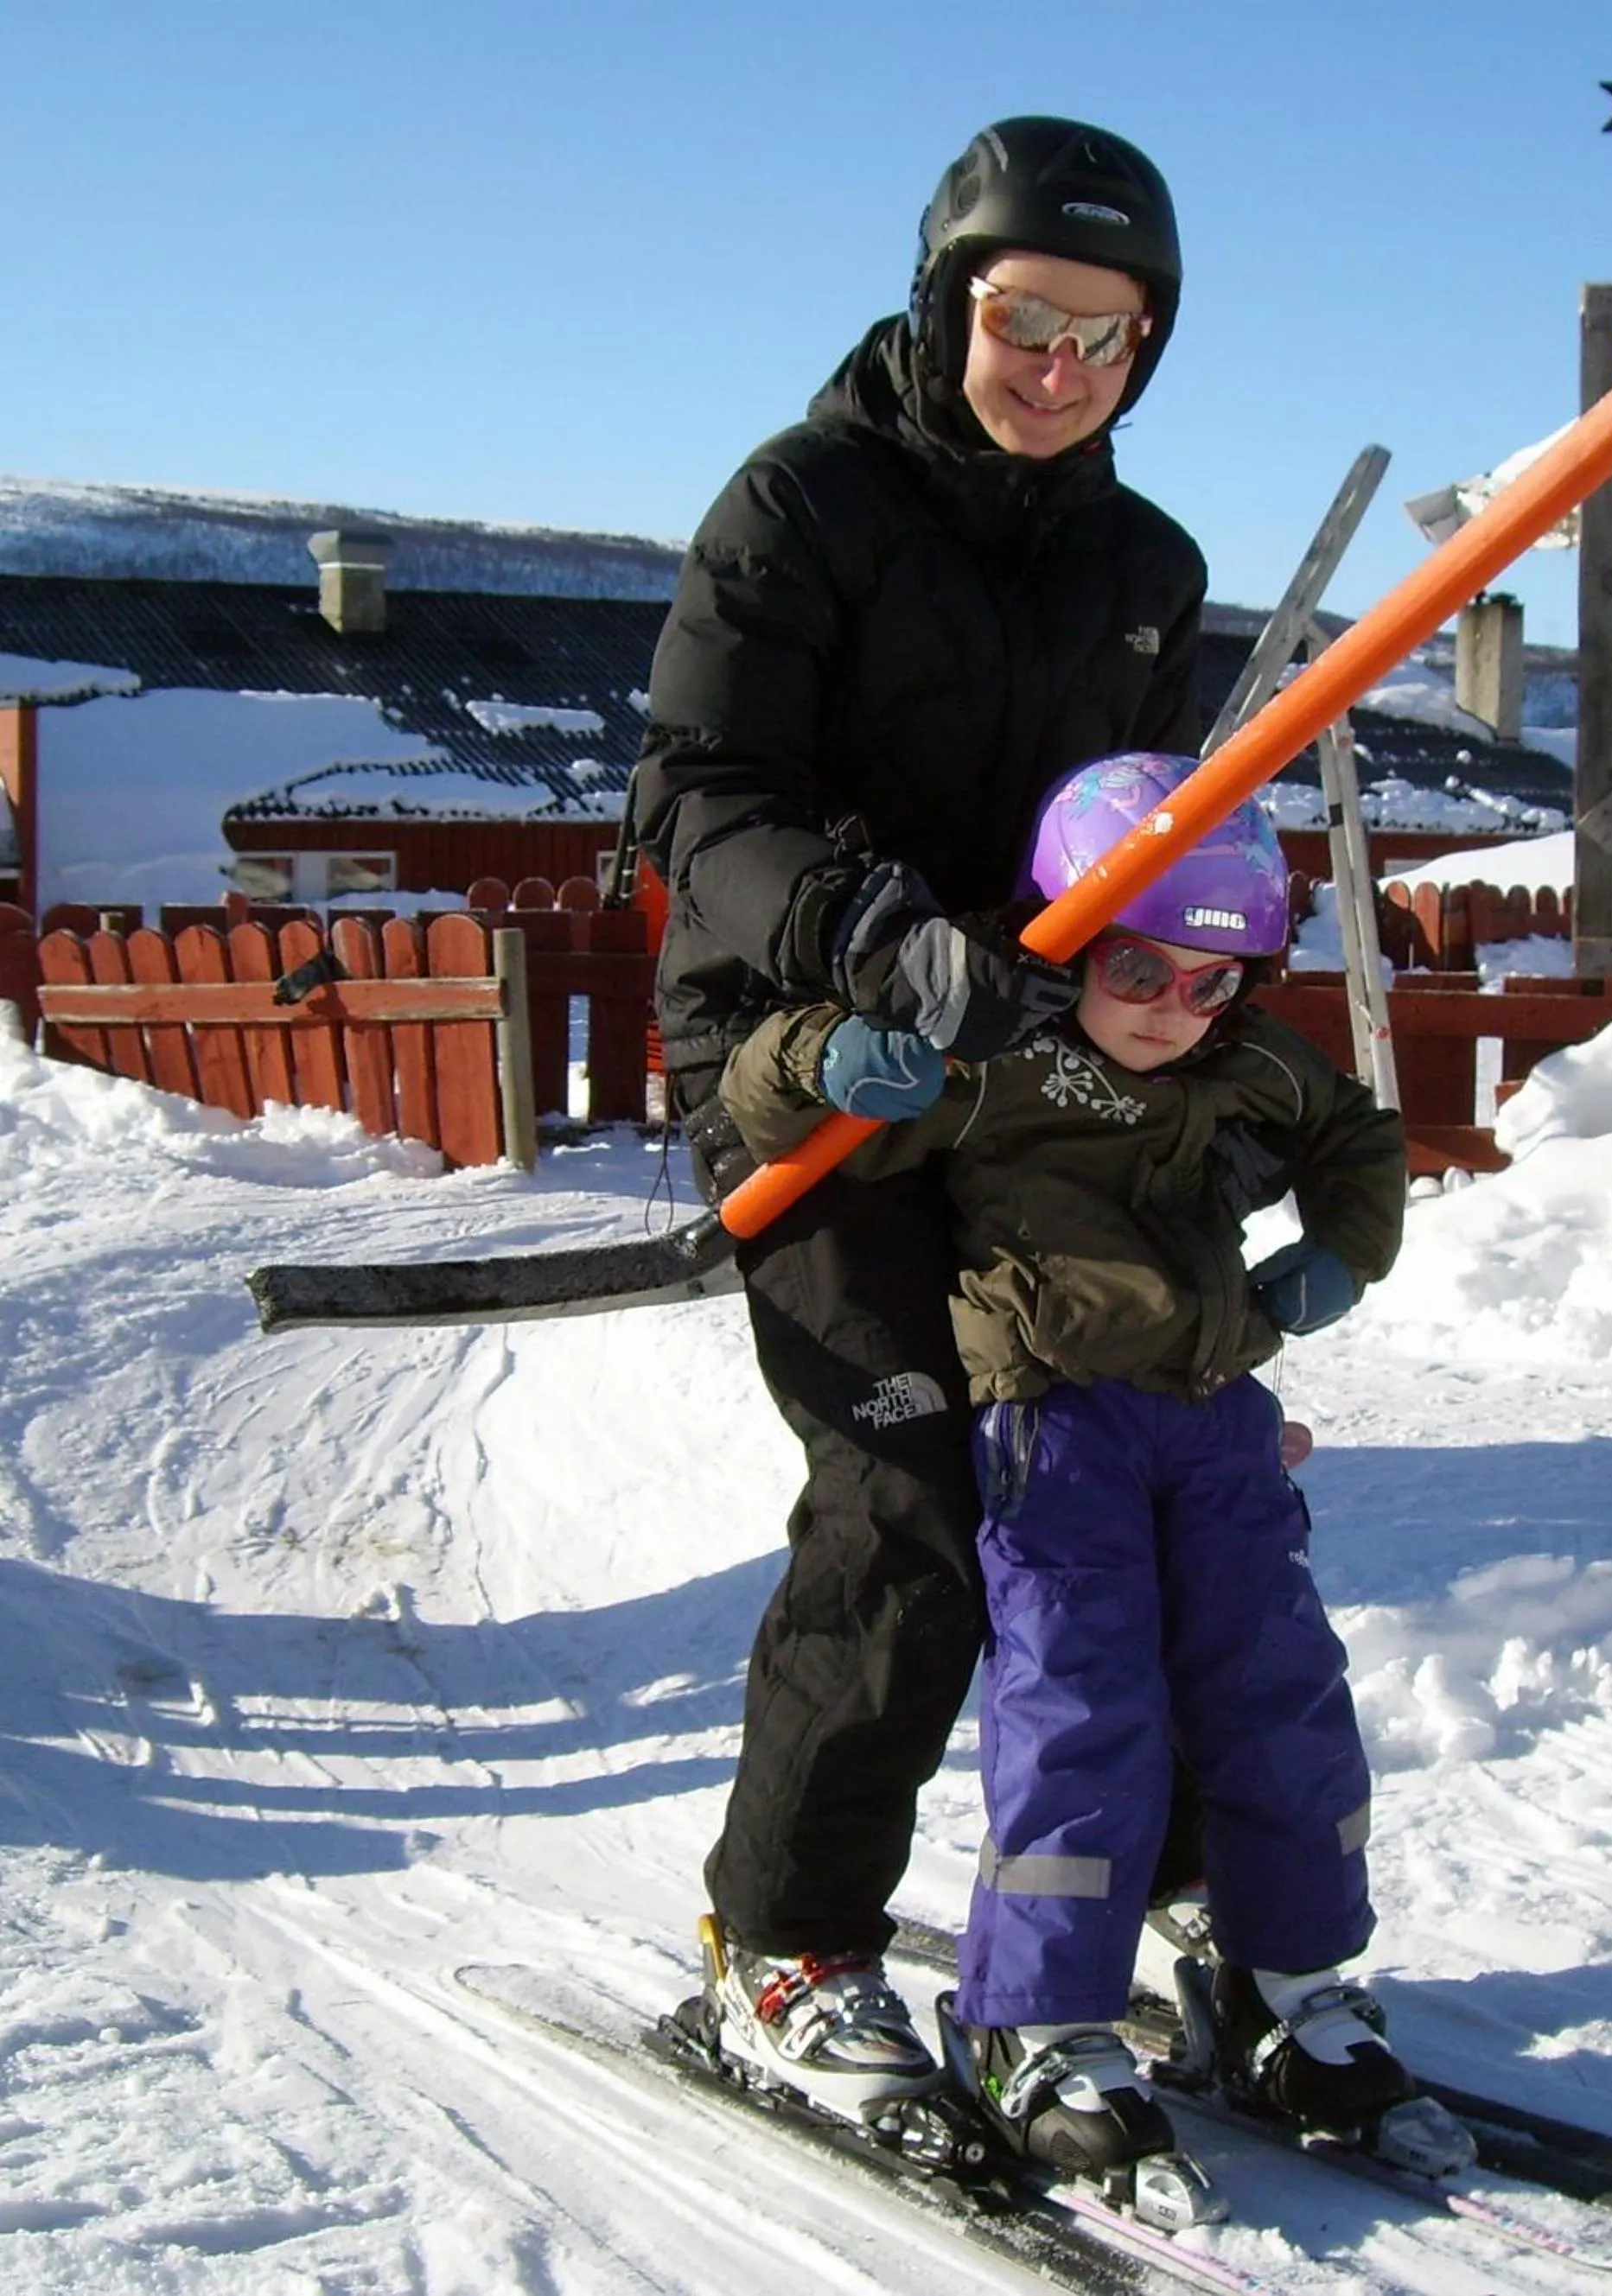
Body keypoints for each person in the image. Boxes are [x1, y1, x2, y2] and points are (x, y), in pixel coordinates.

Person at [625, 118, 1206, 2132]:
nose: (1059, 365)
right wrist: (866, 932)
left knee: (1142, 1470)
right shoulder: (803, 503)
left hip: (1022, 1064)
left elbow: (1132, 830)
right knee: (909, 1499)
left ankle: (1207, 1910)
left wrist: (1161, 966)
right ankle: (783, 1939)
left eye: (1107, 335)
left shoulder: (1148, 567)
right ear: (945, 296)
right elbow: (700, 799)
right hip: (810, 1070)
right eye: (1023, 316)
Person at [721, 754, 1418, 2176]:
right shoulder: (997, 1065)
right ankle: (1033, 2015)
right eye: (1141, 972)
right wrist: (822, 1059)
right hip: (1056, 1425)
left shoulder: (1246, 1061)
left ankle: (1283, 1984)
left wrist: (1340, 1258)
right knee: (1082, 1710)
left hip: (1217, 1418)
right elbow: (771, 1104)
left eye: (1213, 983)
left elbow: (1358, 1139)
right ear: (1066, 941)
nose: (1176, 1013)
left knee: (1278, 1697)